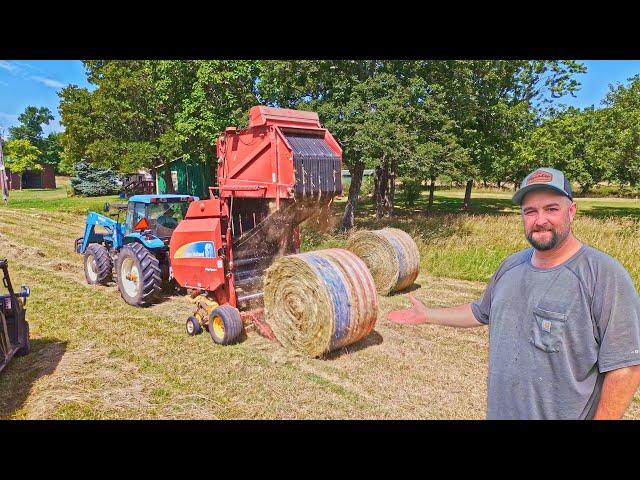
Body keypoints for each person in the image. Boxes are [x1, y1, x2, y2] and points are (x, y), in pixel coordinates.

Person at [388, 167, 640, 420]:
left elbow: (626, 367)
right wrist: (428, 314)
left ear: (571, 211)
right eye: (530, 211)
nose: (540, 220)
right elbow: (480, 311)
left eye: (551, 209)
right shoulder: (511, 266)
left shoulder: (603, 275)